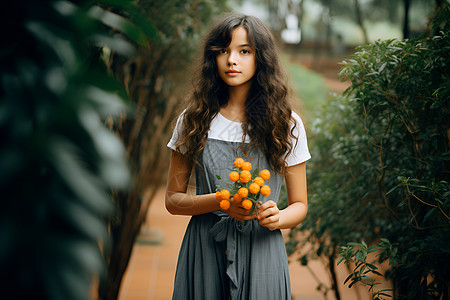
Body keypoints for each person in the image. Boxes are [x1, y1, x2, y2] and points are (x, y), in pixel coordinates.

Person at [165, 12, 310, 300]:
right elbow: (173, 200)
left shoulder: (286, 124)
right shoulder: (194, 120)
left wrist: (277, 218)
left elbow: (300, 205)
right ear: (212, 58)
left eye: (244, 51)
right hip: (205, 249)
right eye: (223, 51)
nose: (232, 60)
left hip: (262, 250)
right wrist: (221, 201)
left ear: (262, 58)